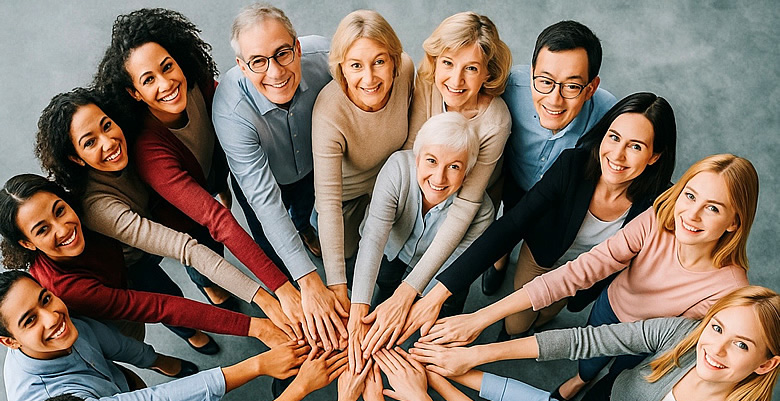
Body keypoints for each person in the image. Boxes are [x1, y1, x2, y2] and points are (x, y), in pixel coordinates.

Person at [419, 153, 758, 400]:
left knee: (622, 373)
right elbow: (579, 272)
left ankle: (589, 380)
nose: (691, 214)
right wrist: (480, 317)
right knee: (591, 360)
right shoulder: (657, 219)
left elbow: (661, 342)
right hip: (611, 305)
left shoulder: (729, 293)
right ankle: (581, 379)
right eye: (690, 195)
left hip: (651, 340)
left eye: (713, 207)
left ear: (733, 222)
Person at [93, 8, 308, 339]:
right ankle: (207, 283)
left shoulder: (200, 84)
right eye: (149, 80)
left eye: (167, 67)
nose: (166, 84)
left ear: (178, 60)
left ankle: (283, 260)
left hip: (221, 169)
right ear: (134, 93)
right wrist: (280, 290)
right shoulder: (150, 151)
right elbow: (216, 220)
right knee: (206, 245)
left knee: (261, 213)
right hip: (182, 210)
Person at [34, 87, 302, 349]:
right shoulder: (97, 206)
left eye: (106, 125)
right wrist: (267, 300)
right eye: (90, 143)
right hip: (131, 259)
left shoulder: (135, 143)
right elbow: (184, 250)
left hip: (159, 215)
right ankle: (190, 333)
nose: (108, 142)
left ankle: (207, 283)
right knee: (165, 294)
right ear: (76, 158)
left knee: (206, 245)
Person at [408, 92, 677, 341]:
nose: (617, 155)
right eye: (614, 137)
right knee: (517, 323)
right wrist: (441, 292)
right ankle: (512, 335)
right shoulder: (572, 165)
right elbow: (510, 225)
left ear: (654, 156)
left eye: (636, 147)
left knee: (548, 313)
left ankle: (536, 324)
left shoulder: (660, 204)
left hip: (585, 275)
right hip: (542, 257)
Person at [0, 173, 291, 351]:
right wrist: (256, 327)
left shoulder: (87, 213)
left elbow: (178, 255)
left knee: (168, 291)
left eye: (59, 211)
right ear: (27, 243)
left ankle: (195, 319)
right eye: (42, 230)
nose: (63, 229)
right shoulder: (67, 287)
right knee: (163, 309)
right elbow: (155, 307)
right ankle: (190, 334)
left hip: (125, 264)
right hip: (107, 301)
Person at [364, 11, 511, 354]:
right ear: (435, 60)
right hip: (425, 198)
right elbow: (411, 154)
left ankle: (431, 352)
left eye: (471, 68)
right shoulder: (428, 82)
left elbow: (467, 204)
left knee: (443, 295)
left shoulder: (495, 121)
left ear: (487, 72)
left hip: (463, 208)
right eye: (448, 63)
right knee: (390, 277)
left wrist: (411, 290)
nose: (455, 79)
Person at [212, 3, 348, 351]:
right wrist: (308, 282)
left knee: (303, 209)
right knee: (271, 243)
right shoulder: (230, 112)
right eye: (258, 61)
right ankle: (293, 296)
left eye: (283, 53)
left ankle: (303, 229)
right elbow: (264, 202)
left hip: (311, 166)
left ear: (298, 47)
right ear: (242, 66)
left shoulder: (327, 58)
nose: (275, 72)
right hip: (262, 180)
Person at [0, 270, 348, 401]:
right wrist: (271, 371)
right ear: (9, 341)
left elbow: (114, 345)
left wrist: (157, 362)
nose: (53, 317)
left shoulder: (65, 325)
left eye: (46, 299)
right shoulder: (45, 396)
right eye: (30, 320)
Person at [410, 285, 780, 401]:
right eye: (717, 328)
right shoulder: (685, 336)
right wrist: (470, 359)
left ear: (766, 363)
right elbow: (588, 341)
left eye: (742, 345)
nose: (715, 348)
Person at [348, 112, 495, 372]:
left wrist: (408, 309)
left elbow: (450, 268)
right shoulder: (397, 168)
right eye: (431, 161)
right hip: (392, 251)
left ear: (468, 171)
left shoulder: (482, 211)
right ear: (417, 157)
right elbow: (372, 238)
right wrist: (360, 309)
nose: (439, 178)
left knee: (438, 322)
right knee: (385, 284)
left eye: (454, 167)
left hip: (441, 277)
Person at [482, 20, 618, 296]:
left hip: (557, 198)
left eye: (571, 87)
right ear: (532, 73)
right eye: (544, 81)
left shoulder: (610, 116)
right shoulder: (510, 85)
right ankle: (500, 259)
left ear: (591, 88)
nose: (554, 100)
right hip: (513, 175)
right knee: (507, 223)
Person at [311, 10, 414, 312]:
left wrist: (392, 191)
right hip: (345, 202)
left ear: (394, 60)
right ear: (341, 68)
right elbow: (328, 201)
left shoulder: (406, 70)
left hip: (389, 186)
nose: (369, 78)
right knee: (352, 263)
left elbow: (411, 139)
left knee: (388, 257)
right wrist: (337, 287)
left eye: (379, 61)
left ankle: (384, 292)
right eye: (356, 65)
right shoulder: (329, 113)